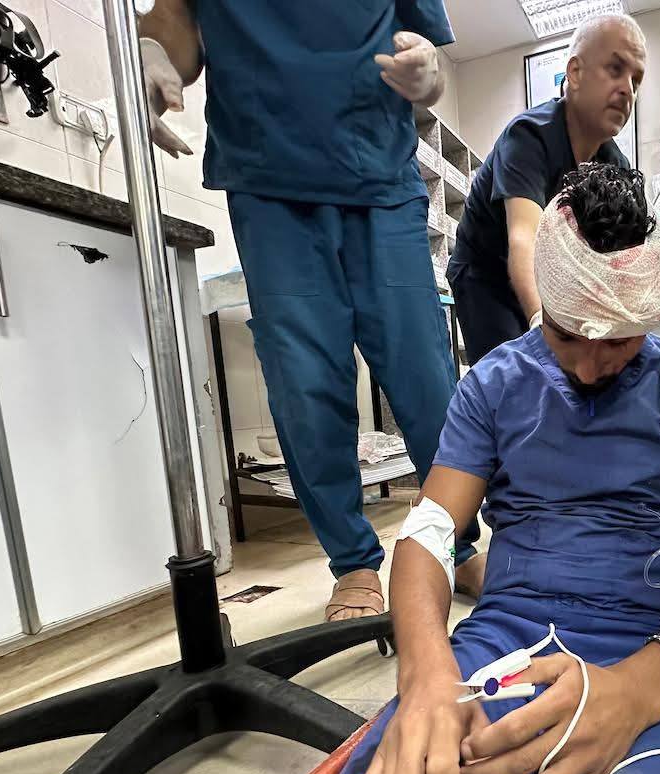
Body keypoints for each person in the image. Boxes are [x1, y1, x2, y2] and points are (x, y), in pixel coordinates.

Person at [239, 165, 660, 774]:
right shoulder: (494, 383)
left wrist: (649, 685)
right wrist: (426, 675)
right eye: (567, 334)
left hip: (651, 652)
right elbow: (429, 532)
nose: (590, 365)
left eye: (619, 341)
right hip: (499, 646)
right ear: (542, 300)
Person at [139, 1, 485, 621]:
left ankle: (455, 544)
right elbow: (176, 18)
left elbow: (425, 54)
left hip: (381, 177)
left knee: (428, 380)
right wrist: (153, 52)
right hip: (268, 180)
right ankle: (353, 563)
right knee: (305, 385)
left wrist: (429, 75)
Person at [448, 14, 644, 362]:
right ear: (575, 73)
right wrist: (544, 325)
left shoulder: (615, 165)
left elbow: (622, 258)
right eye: (615, 69)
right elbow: (525, 239)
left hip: (553, 276)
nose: (628, 88)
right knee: (514, 371)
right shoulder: (528, 137)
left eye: (636, 79)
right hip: (486, 273)